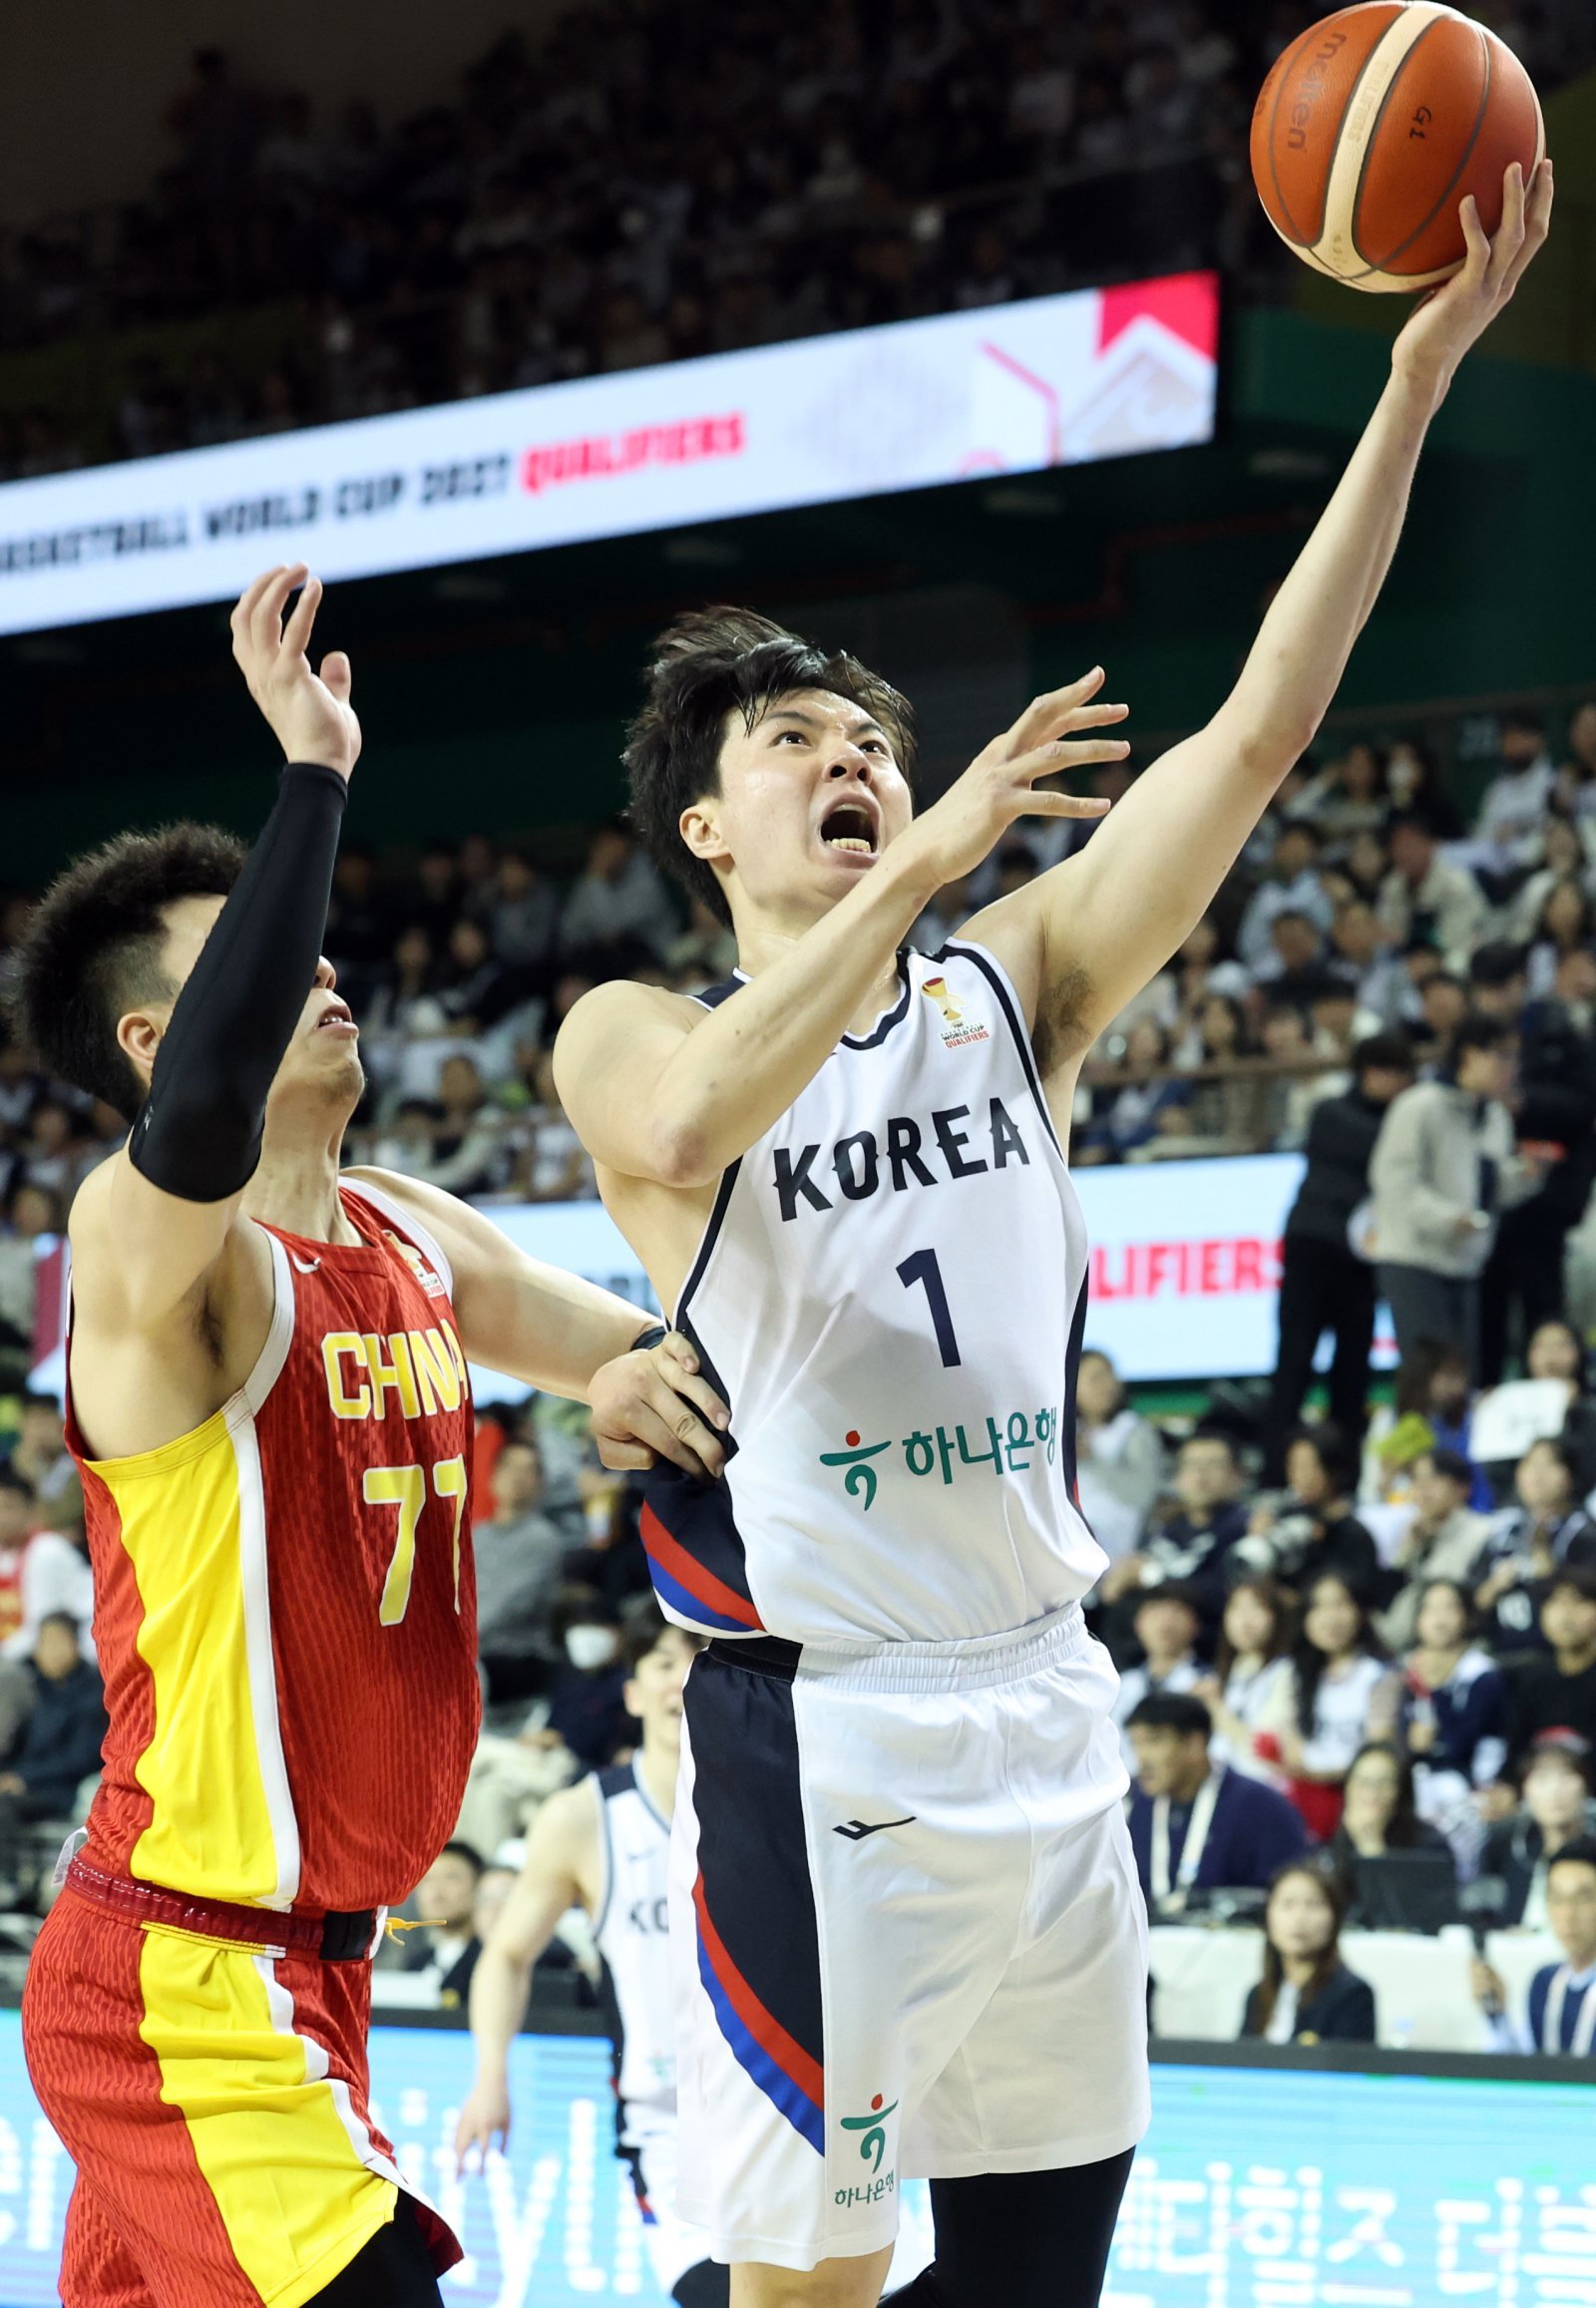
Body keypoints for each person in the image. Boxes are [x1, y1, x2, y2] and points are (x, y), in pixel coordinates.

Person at [551, 166, 1549, 2308]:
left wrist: (1410, 382)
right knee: (806, 2282)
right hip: (828, 1738)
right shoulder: (632, 1025)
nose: (846, 761)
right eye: (792, 746)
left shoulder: (1019, 984)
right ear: (706, 826)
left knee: (1030, 2278)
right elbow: (687, 1116)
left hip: (1048, 1707)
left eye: (868, 742)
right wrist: (912, 868)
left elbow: (1261, 728)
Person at [12, 566, 730, 2308]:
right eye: (263, 939)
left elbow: (648, 1358)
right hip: (177, 1970)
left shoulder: (410, 1228)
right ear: (158, 1034)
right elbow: (194, 1120)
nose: (320, 956)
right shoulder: (142, 1249)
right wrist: (313, 781)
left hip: (328, 1967)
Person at [455, 1606, 728, 2308]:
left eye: (699, 1660)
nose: (680, 1682)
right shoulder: (584, 1818)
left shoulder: (779, 1798)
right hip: (668, 2126)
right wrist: (491, 2076)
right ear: (633, 1693)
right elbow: (506, 1956)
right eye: (663, 1664)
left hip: (786, 2105)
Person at [1265, 1033, 1414, 1473]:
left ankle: (1343, 1470)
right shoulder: (1331, 1112)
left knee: (1353, 1368)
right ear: (1372, 1073)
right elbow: (1373, 1152)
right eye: (1397, 1074)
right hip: (1313, 1249)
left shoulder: (1393, 1121)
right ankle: (1277, 1467)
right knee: (1294, 1361)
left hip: (1362, 1260)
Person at [1369, 1013, 1544, 1375]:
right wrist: (1449, 1218)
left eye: (1515, 1058)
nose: (1511, 1068)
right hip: (1414, 1257)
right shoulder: (1419, 1105)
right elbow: (1393, 1181)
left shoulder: (1494, 1116)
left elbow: (1489, 1188)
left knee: (1463, 1377)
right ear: (1469, 1055)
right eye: (1502, 1056)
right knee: (1430, 1376)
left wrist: (1526, 1175)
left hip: (1465, 1260)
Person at [1124, 1692, 1305, 1918]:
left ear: (1195, 1744)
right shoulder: (1133, 1806)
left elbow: (1288, 1896)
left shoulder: (1262, 1807)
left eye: (1154, 1741)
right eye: (1135, 1743)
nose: (1141, 1757)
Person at [1259, 1573, 1397, 1839]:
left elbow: (1380, 1751)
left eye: (1340, 1605)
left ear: (1359, 1611)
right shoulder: (1294, 1673)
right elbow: (1292, 1752)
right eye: (1318, 1607)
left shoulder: (1379, 1675)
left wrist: (1328, 1774)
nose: (1330, 1617)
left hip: (1360, 1799)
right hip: (1305, 1797)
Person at [1099, 1431, 1247, 1654]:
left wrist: (1149, 1574)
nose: (1200, 1475)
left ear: (1237, 1476)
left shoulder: (1244, 1528)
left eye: (1213, 1465)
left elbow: (1220, 1593)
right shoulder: (1166, 1529)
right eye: (1192, 1465)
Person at [1472, 1838, 1596, 2055]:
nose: (1568, 1914)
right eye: (1557, 1899)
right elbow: (1528, 2070)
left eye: (1583, 1898)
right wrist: (1499, 2015)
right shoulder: (1545, 1983)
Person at [1473, 1436, 1596, 1655]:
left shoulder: (1584, 1532)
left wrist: (1547, 1565)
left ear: (1570, 1476)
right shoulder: (1504, 1529)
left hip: (1556, 1655)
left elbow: (1585, 1597)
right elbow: (1472, 1600)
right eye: (1529, 1464)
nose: (1537, 1475)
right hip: (1500, 1652)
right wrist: (1494, 1586)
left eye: (1549, 1464)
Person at [1397, 1578, 1508, 1819]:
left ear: (1467, 1617)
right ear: (1418, 1620)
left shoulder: (1482, 1674)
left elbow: (1462, 1744)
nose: (1440, 1618)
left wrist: (1436, 1691)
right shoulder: (1403, 1669)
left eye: (1450, 1607)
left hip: (1470, 1785)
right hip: (1417, 1778)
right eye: (1431, 1608)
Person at [473, 1437, 569, 1706]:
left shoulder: (542, 1539)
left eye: (528, 1470)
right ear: (493, 1476)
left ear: (539, 1484)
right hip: (473, 1652)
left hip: (515, 1658)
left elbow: (510, 1605)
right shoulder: (477, 1536)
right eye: (510, 1467)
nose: (517, 1477)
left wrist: (455, 1645)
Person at [1239, 1864, 1377, 2045]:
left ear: (1335, 1918)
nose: (1299, 1918)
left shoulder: (1353, 1996)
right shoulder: (1257, 1996)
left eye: (1313, 1905)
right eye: (1287, 1904)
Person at [1377, 1448, 1495, 1652]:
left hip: (1458, 1645)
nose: (1422, 1490)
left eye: (1433, 1479)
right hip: (1407, 1645)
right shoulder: (1415, 1534)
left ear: (1462, 1487)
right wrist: (1408, 1550)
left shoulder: (1482, 1533)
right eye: (1416, 1480)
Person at [1323, 1739, 1453, 1922]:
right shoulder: (1332, 1845)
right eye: (1363, 1782)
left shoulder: (1430, 1846)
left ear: (1401, 1791)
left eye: (1384, 1783)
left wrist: (1371, 1849)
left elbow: (1407, 1917)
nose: (1372, 1794)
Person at [1473, 1736, 1596, 1926]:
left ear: (1585, 1787)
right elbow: (1480, 1912)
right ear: (1524, 1790)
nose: (1555, 1791)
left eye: (1566, 1777)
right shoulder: (1503, 1843)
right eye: (1542, 1779)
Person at [1192, 1577, 1293, 1784]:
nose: (1245, 1620)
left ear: (1276, 1616)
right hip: (1217, 1784)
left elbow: (1262, 1746)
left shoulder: (1287, 1672)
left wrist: (1215, 1706)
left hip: (1263, 1785)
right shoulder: (1226, 1672)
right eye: (1236, 1609)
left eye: (1256, 1608)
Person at [1072, 1350, 1167, 1564]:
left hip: (1119, 1548)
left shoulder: (1134, 1430)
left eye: (1110, 1375)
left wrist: (1091, 1460)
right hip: (1072, 1538)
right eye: (1096, 1378)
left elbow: (1143, 1495)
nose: (1107, 1385)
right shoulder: (1064, 1430)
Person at [1502, 1567, 1596, 1772]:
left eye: (1578, 1601)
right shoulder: (1531, 1678)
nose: (1565, 1614)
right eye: (1554, 1602)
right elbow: (1515, 1751)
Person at [399, 1840, 486, 2005]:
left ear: (479, 1887)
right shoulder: (417, 1964)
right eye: (426, 1879)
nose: (436, 1892)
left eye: (451, 1878)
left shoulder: (488, 1959)